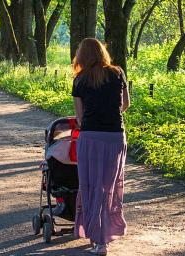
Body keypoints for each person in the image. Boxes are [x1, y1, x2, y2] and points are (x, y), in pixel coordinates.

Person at [71, 38, 131, 256]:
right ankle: (106, 233)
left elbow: (79, 118)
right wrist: (110, 116)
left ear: (81, 56)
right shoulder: (117, 73)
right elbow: (125, 104)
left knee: (91, 186)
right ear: (103, 53)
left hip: (91, 138)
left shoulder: (79, 80)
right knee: (109, 187)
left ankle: (98, 239)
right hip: (115, 136)